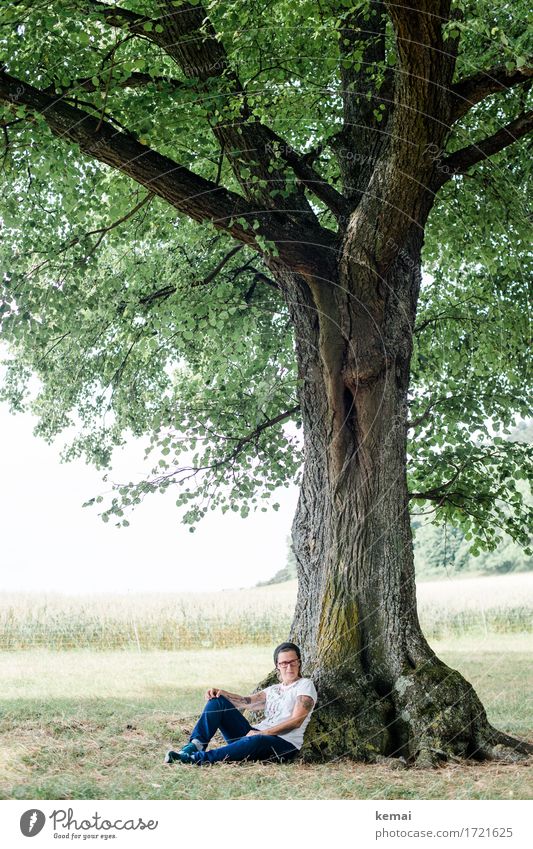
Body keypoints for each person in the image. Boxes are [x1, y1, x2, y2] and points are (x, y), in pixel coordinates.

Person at [164, 641, 317, 765]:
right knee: (217, 702)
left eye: (292, 662)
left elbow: (296, 721)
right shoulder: (273, 689)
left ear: (299, 662)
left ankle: (195, 759)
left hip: (282, 743)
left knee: (256, 740)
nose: (289, 667)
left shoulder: (305, 685)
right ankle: (195, 745)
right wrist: (223, 694)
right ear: (277, 666)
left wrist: (262, 733)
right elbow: (246, 702)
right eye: (284, 663)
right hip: (253, 735)